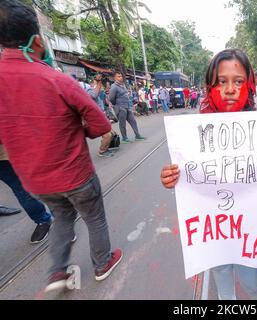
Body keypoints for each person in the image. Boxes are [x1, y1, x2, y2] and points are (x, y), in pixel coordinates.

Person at [0, 0, 122, 292]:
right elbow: (101, 125)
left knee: (62, 218)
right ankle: (102, 263)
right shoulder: (57, 79)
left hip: (34, 180)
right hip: (75, 174)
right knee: (94, 217)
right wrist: (80, 131)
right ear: (38, 41)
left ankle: (58, 273)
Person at [160, 48, 257, 300]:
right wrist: (171, 178)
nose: (230, 89)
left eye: (238, 82)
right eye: (221, 82)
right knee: (223, 282)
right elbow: (188, 180)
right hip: (213, 235)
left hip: (249, 233)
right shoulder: (192, 135)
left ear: (249, 87)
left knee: (253, 286)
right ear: (209, 88)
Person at [0, 145, 53, 243]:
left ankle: (63, 217)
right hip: (3, 157)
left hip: (21, 141)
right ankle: (43, 220)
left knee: (45, 174)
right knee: (19, 188)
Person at [109, 71, 146, 143]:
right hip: (120, 107)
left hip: (127, 106)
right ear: (115, 78)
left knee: (133, 121)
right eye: (118, 76)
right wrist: (117, 105)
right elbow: (111, 98)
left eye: (121, 76)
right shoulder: (114, 86)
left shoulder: (123, 85)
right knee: (122, 124)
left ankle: (137, 135)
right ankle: (124, 138)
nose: (121, 77)